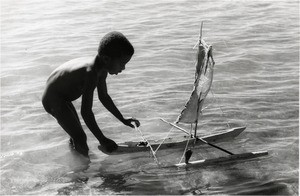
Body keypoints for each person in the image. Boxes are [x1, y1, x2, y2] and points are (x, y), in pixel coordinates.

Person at [42, 31, 140, 157]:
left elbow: (104, 97)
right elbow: (86, 112)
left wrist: (122, 119)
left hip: (60, 96)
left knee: (76, 135)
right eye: (122, 63)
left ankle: (77, 160)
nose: (123, 68)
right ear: (106, 59)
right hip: (53, 98)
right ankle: (83, 171)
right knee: (80, 137)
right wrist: (102, 139)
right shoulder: (91, 74)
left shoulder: (101, 69)